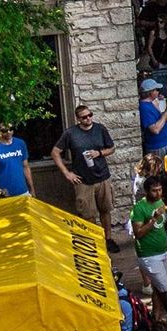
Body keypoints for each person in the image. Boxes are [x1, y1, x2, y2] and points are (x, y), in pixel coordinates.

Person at [53, 103, 120, 242]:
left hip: (102, 176)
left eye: (90, 115)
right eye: (84, 117)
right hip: (83, 180)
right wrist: (67, 173)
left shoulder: (100, 129)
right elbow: (55, 153)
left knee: (105, 210)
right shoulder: (70, 133)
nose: (88, 119)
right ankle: (95, 241)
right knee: (88, 214)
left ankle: (108, 239)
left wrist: (99, 153)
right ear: (78, 119)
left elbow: (112, 148)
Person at [0, 121, 31, 198]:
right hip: (4, 196)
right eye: (5, 130)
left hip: (24, 192)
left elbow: (26, 167)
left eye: (11, 129)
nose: (9, 132)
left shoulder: (20, 143)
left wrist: (32, 189)